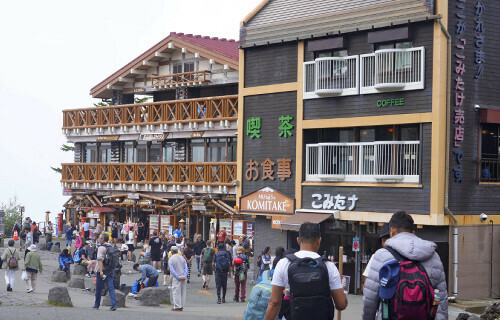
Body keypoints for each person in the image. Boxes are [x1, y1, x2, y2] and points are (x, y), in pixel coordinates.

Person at [362, 211, 448, 320]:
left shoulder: (382, 256)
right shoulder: (433, 256)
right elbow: (442, 300)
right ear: (413, 232)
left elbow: (370, 300)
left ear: (392, 232)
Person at [266, 222, 347, 320]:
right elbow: (341, 305)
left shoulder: (284, 263)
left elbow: (274, 302)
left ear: (298, 240)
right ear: (319, 240)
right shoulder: (328, 266)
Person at [93, 233, 117, 311]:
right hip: (110, 269)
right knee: (111, 288)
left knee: (99, 288)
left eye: (100, 238)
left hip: (102, 270)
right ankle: (113, 304)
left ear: (103, 239)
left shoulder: (101, 248)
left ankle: (96, 305)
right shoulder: (111, 247)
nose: (99, 239)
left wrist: (100, 271)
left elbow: (100, 259)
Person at [362, 223, 390, 289]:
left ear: (383, 240)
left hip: (380, 295)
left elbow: (366, 284)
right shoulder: (405, 255)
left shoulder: (376, 256)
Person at [169, 246, 188, 311]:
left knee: (176, 292)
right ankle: (182, 305)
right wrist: (185, 276)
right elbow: (186, 268)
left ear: (171, 252)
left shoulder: (171, 259)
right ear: (177, 251)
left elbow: (172, 270)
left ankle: (177, 306)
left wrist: (178, 277)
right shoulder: (182, 258)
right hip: (183, 276)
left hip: (177, 278)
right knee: (183, 292)